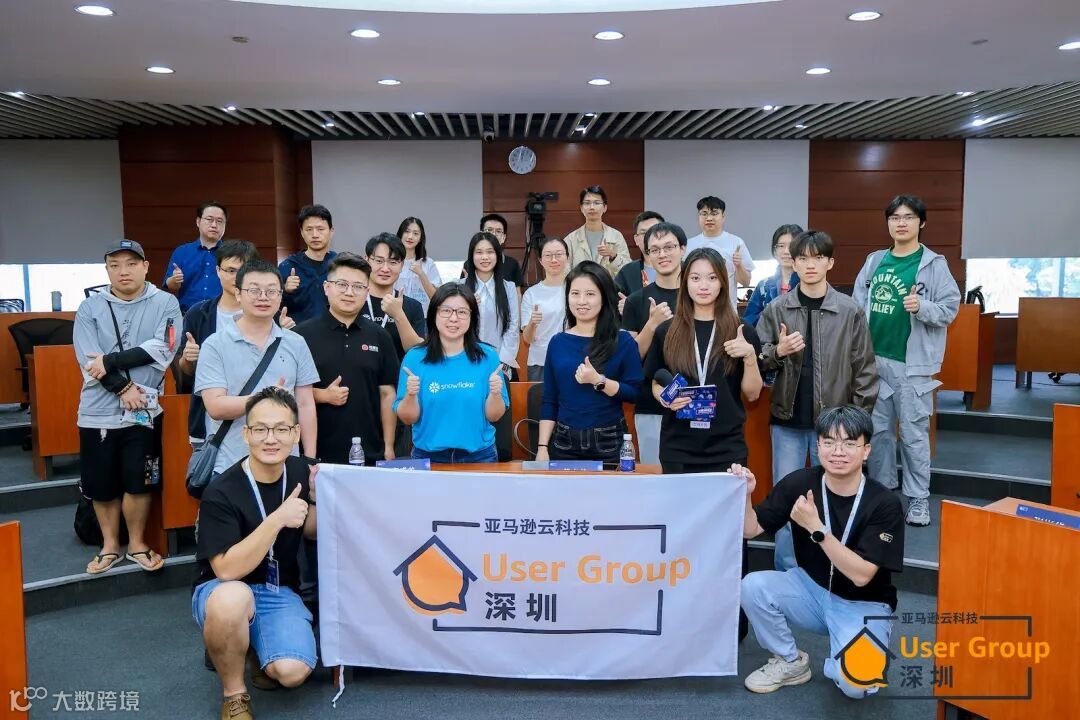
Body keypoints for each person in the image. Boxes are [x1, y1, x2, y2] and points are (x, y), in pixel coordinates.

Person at [736, 405, 904, 699]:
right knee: (752, 586)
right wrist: (746, 494)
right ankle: (790, 661)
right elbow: (750, 529)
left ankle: (844, 661)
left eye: (849, 443)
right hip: (811, 590)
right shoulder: (799, 483)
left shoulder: (884, 503)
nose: (838, 452)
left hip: (863, 604)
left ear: (866, 451)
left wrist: (816, 528)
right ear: (818, 446)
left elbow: (862, 575)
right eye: (829, 442)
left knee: (857, 685)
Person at [192, 387, 318, 720]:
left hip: (278, 589)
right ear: (246, 434)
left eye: (281, 429)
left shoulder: (303, 471)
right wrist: (276, 519)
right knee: (232, 599)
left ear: (295, 433)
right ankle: (234, 694)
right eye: (260, 429)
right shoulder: (221, 490)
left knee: (292, 672)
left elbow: (310, 531)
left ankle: (251, 649)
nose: (270, 439)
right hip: (223, 589)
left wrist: (314, 499)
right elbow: (226, 570)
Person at [757, 230, 879, 570]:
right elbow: (757, 359)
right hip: (788, 422)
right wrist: (777, 352)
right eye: (803, 258)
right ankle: (787, 570)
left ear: (830, 263)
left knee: (836, 499)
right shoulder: (777, 309)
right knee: (786, 500)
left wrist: (854, 425)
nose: (810, 265)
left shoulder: (850, 311)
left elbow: (865, 370)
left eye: (818, 258)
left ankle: (833, 569)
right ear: (793, 263)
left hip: (836, 427)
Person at [74, 239, 182, 574]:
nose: (124, 271)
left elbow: (164, 347)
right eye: (115, 265)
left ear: (146, 266)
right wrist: (123, 387)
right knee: (101, 484)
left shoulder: (166, 302)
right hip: (97, 412)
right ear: (107, 269)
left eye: (132, 263)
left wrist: (110, 361)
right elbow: (87, 359)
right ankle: (110, 546)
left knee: (141, 480)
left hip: (145, 411)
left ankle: (136, 543)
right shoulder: (89, 308)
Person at [853, 195, 960, 527]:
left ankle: (918, 498)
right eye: (895, 217)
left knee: (913, 433)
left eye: (908, 217)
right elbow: (857, 306)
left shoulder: (933, 264)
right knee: (879, 433)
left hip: (912, 366)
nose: (901, 223)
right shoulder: (874, 261)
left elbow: (950, 309)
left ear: (921, 222)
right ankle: (883, 493)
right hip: (874, 362)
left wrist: (922, 307)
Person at [194, 258, 319, 477]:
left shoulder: (296, 343)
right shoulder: (215, 344)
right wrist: (266, 397)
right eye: (254, 290)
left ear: (280, 296)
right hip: (230, 465)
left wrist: (308, 459)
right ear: (238, 294)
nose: (263, 297)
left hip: (285, 466)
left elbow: (306, 404)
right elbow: (215, 406)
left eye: (271, 291)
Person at [645, 247, 763, 473]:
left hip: (727, 448)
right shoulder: (667, 331)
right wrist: (663, 397)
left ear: (723, 283)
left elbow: (752, 394)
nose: (704, 286)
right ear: (685, 282)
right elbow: (655, 380)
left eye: (712, 278)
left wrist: (749, 356)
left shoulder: (741, 331)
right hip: (677, 447)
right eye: (695, 278)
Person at [295, 253, 399, 465]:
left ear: (367, 292)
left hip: (369, 453)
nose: (349, 292)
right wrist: (322, 395)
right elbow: (287, 391)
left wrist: (388, 447)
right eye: (341, 284)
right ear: (326, 287)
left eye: (358, 287)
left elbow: (387, 393)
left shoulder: (380, 336)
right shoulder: (300, 336)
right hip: (315, 455)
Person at [537, 261, 643, 464]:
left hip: (609, 441)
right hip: (563, 442)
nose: (581, 301)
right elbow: (549, 399)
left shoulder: (622, 341)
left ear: (604, 297)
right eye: (575, 293)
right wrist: (542, 447)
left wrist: (599, 381)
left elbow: (635, 394)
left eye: (590, 294)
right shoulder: (558, 342)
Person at [394, 284, 509, 464]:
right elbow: (408, 418)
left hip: (479, 457)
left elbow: (494, 416)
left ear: (472, 317)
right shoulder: (415, 358)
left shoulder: (487, 356)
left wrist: (495, 394)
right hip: (429, 457)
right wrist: (410, 395)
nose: (454, 318)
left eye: (462, 312)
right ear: (434, 314)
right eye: (446, 311)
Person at [176, 240, 259, 444]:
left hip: (258, 419)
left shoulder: (266, 313)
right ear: (217, 271)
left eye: (243, 270)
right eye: (230, 270)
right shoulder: (198, 314)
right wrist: (188, 359)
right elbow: (186, 373)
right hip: (209, 421)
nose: (236, 277)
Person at [621, 222, 687, 465]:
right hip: (650, 404)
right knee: (655, 474)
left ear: (682, 249)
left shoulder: (699, 296)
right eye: (655, 249)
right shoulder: (636, 301)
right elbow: (631, 358)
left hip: (695, 400)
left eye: (669, 247)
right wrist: (652, 324)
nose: (662, 254)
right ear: (647, 253)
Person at [460, 231, 520, 372]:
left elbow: (513, 326)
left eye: (490, 252)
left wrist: (503, 362)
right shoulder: (460, 287)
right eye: (479, 252)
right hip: (465, 361)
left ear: (497, 255)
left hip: (499, 364)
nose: (485, 257)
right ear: (471, 256)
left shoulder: (509, 288)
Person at [362, 232, 427, 362]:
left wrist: (398, 315)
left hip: (398, 374)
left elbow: (417, 352)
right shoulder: (352, 300)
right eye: (379, 261)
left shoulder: (413, 306)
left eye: (393, 262)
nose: (385, 269)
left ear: (402, 265)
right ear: (366, 261)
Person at [686, 196, 754, 309]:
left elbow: (746, 282)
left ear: (723, 216)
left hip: (727, 311)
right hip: (696, 311)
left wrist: (739, 265)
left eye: (714, 213)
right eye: (704, 214)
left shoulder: (736, 243)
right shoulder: (689, 245)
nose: (709, 218)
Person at [278, 204, 339, 324]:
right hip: (298, 332)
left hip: (335, 331)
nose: (315, 235)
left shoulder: (341, 265)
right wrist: (285, 290)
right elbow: (272, 305)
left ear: (331, 231)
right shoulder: (288, 266)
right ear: (302, 232)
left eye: (320, 229)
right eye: (309, 229)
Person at [520, 236, 569, 382]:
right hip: (540, 363)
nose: (554, 260)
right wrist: (532, 323)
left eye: (559, 254)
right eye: (548, 255)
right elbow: (527, 339)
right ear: (541, 260)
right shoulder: (531, 293)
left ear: (567, 257)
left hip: (571, 359)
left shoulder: (576, 290)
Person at [163, 202, 228, 311]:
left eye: (219, 221)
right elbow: (170, 285)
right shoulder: (182, 251)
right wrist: (175, 280)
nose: (214, 225)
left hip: (222, 315)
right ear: (198, 221)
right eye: (209, 219)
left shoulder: (231, 253)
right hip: (188, 314)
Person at [743, 224, 802, 328]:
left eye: (792, 245)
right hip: (767, 337)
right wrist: (770, 314)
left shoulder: (808, 284)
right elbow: (748, 322)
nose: (786, 251)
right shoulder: (763, 286)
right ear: (774, 250)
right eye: (781, 246)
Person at [563, 186, 632, 276]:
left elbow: (628, 269)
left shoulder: (616, 236)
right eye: (587, 203)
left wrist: (613, 256)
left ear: (605, 207)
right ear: (581, 208)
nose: (592, 207)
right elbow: (564, 272)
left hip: (608, 285)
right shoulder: (571, 239)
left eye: (597, 203)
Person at [394, 216, 442, 314]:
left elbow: (436, 299)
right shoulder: (391, 261)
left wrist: (421, 273)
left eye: (415, 233)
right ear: (400, 234)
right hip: (394, 315)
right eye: (407, 231)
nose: (410, 236)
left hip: (422, 317)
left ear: (420, 238)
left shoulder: (428, 263)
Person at [614, 211, 665, 299]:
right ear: (636, 239)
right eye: (644, 233)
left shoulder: (682, 268)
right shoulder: (627, 272)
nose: (649, 236)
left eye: (654, 231)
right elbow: (614, 301)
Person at [479, 213, 525, 290]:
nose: (493, 234)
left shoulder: (512, 264)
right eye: (489, 230)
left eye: (498, 231)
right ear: (481, 234)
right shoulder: (470, 263)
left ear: (504, 238)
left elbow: (517, 294)